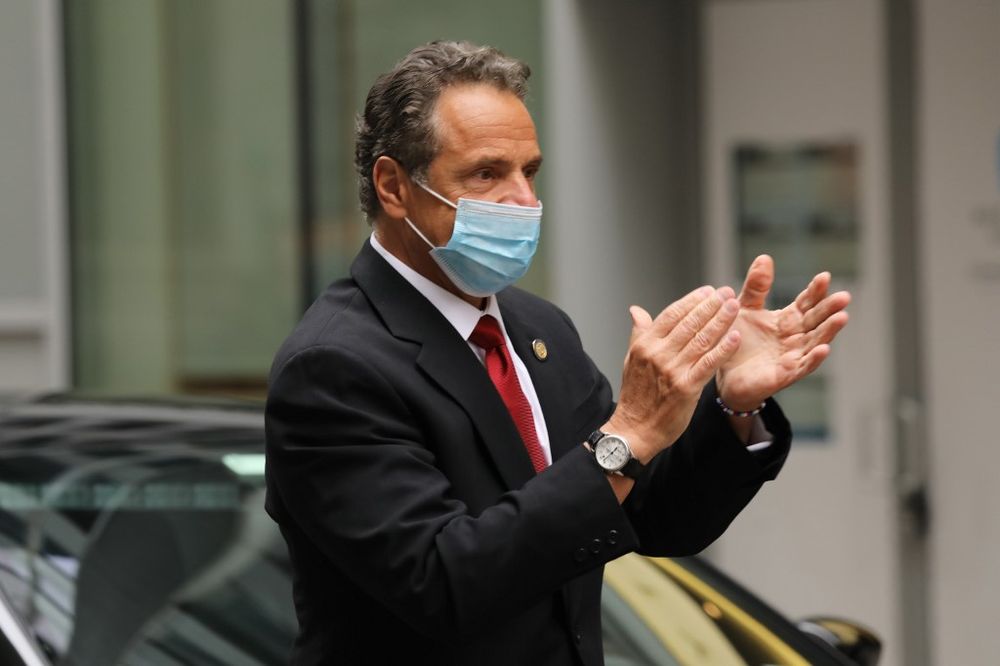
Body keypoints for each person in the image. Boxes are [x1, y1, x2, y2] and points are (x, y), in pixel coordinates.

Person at [264, 41, 850, 665]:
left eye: (530, 171)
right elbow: (445, 583)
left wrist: (735, 407)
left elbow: (652, 516)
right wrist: (627, 432)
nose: (522, 199)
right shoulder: (333, 367)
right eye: (487, 173)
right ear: (393, 186)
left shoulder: (536, 327)